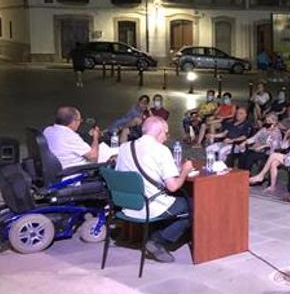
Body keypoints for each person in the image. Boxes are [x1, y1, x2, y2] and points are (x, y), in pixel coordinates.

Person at [115, 116, 194, 263]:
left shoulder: (125, 147)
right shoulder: (161, 150)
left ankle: (150, 233)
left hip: (127, 205)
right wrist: (185, 171)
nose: (166, 138)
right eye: (166, 133)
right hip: (149, 205)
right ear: (159, 132)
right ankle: (158, 240)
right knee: (194, 205)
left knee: (177, 201)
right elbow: (173, 186)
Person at [249, 120, 290, 192]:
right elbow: (283, 147)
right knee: (273, 163)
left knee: (273, 155)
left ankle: (261, 175)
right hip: (289, 157)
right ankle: (272, 186)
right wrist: (286, 135)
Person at [43, 106, 113, 168]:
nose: (80, 123)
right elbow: (94, 158)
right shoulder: (70, 137)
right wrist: (95, 138)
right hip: (76, 172)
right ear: (73, 121)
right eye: (79, 120)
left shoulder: (47, 130)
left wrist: (88, 135)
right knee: (113, 158)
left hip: (57, 167)